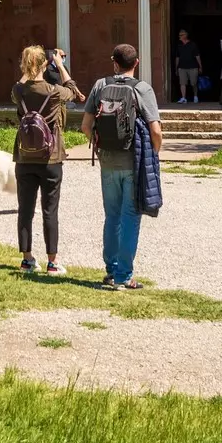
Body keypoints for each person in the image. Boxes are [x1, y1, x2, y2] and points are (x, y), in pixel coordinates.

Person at [82, 43, 163, 290]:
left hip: (108, 160)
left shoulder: (100, 85)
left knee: (112, 216)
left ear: (114, 63)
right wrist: (154, 152)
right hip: (133, 161)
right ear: (136, 63)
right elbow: (156, 131)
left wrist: (98, 145)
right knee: (130, 216)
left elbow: (85, 125)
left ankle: (111, 270)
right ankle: (124, 275)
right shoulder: (142, 89)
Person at [11, 45, 81, 274]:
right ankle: (52, 261)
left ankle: (27, 259)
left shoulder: (19, 91)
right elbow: (72, 90)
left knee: (25, 210)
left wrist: (29, 69)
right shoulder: (53, 91)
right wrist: (59, 65)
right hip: (51, 158)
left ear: (24, 65)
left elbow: (20, 84)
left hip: (24, 157)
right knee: (50, 210)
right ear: (44, 64)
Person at [172, 30, 202, 104]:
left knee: (194, 83)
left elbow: (197, 56)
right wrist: (176, 68)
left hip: (193, 67)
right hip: (182, 67)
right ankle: (183, 98)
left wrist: (200, 66)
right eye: (179, 35)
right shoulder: (179, 45)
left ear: (186, 35)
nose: (180, 36)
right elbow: (177, 57)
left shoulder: (192, 44)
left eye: (181, 35)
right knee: (182, 83)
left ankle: (195, 96)